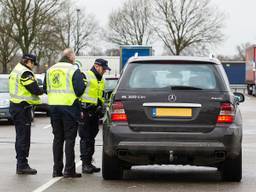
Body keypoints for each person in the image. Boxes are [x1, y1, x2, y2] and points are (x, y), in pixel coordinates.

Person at [44, 48, 85, 178]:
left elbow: (45, 88)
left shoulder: (50, 70)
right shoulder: (73, 70)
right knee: (69, 140)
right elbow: (79, 90)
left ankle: (56, 170)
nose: (75, 58)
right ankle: (69, 170)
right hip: (69, 108)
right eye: (75, 56)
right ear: (71, 56)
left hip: (54, 108)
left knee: (57, 139)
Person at [9, 54, 43, 175]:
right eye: (33, 63)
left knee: (20, 136)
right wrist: (43, 89)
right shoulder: (25, 73)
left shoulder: (16, 70)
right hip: (22, 108)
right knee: (23, 137)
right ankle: (22, 165)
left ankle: (21, 164)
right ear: (28, 61)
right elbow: (34, 89)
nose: (33, 66)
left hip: (16, 106)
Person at [79, 58, 111, 174]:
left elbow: (101, 96)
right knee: (85, 138)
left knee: (92, 137)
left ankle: (89, 162)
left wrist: (101, 107)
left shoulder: (101, 80)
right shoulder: (85, 75)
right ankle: (85, 164)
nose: (104, 71)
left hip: (95, 112)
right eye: (103, 69)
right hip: (85, 110)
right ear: (97, 66)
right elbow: (77, 92)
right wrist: (80, 108)